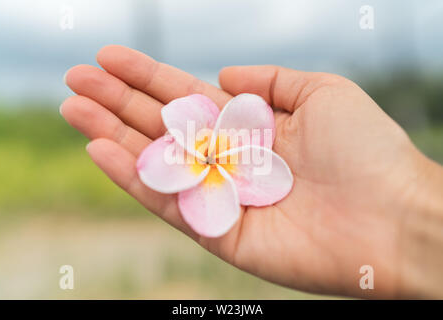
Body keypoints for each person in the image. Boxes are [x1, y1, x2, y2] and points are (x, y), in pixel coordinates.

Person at [60, 45, 443, 299]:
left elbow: (272, 176)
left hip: (225, 163)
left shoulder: (245, 133)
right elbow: (168, 139)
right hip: (204, 162)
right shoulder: (186, 126)